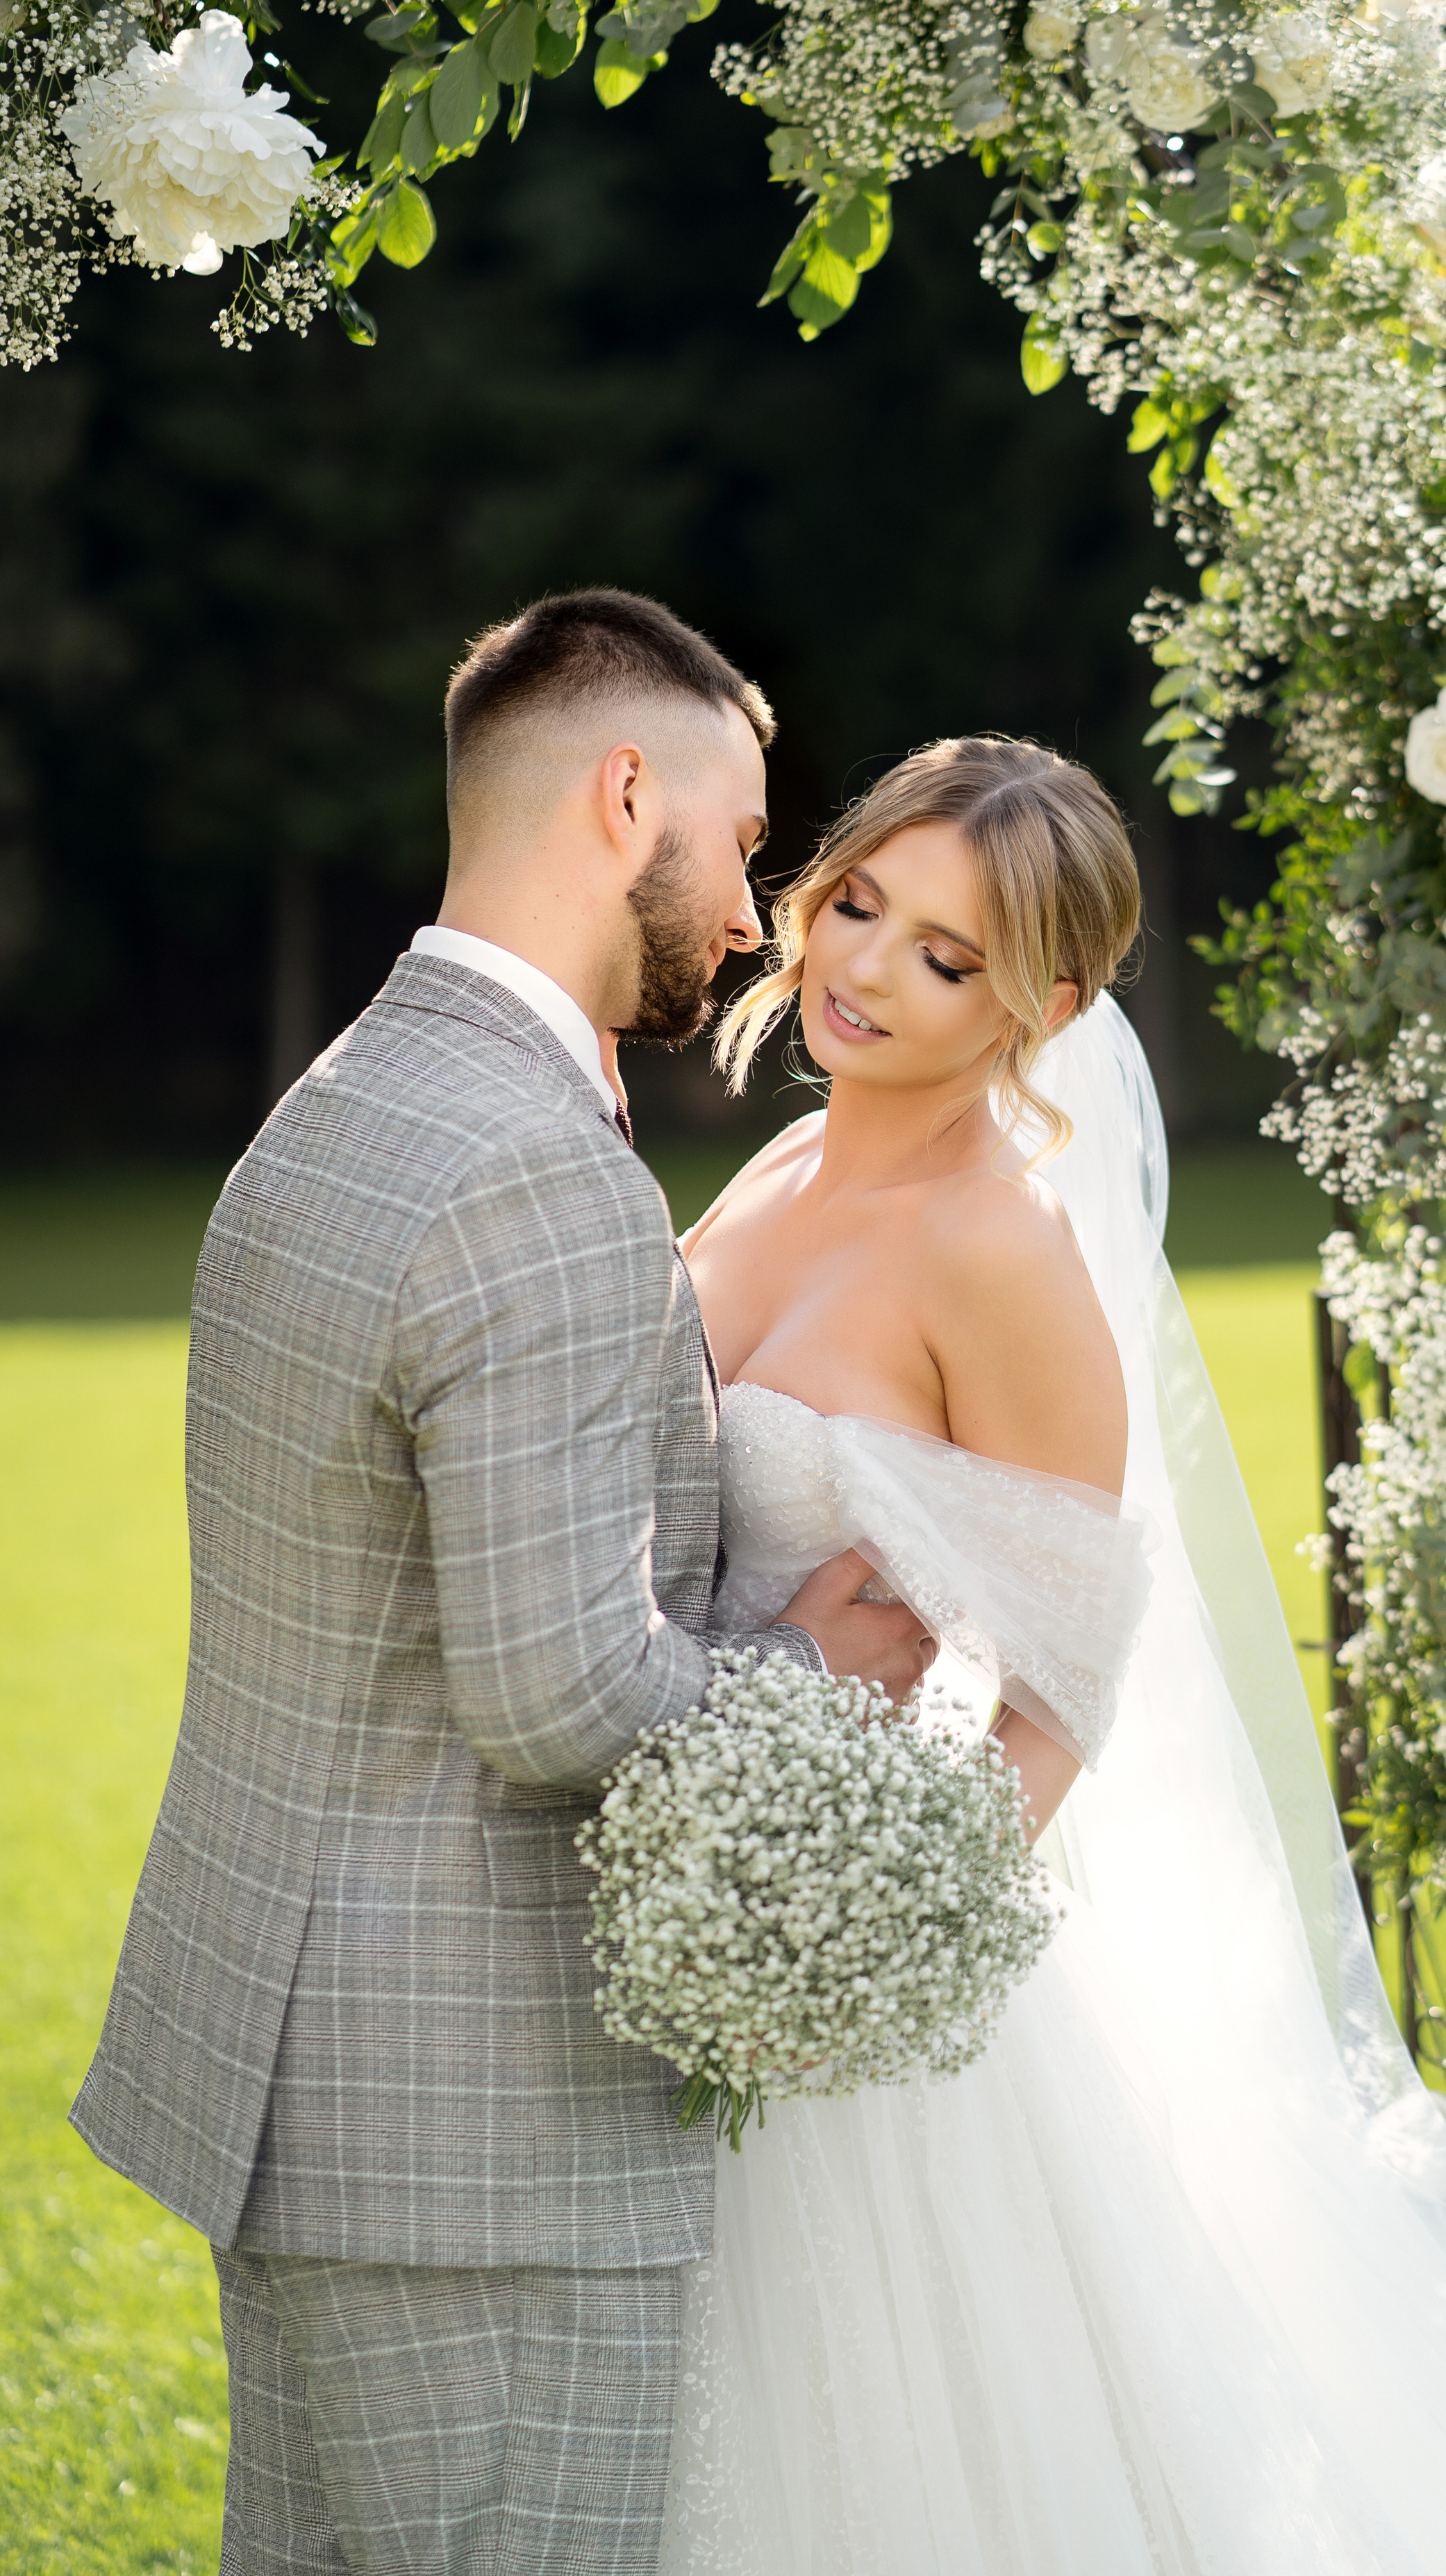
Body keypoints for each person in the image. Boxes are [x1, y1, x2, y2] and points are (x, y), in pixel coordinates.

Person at [672, 734, 1446, 2573]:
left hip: (874, 1962)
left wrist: (853, 1942)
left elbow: (1064, 1680)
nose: (865, 970)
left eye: (945, 957)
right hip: (701, 1867)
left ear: (1045, 1006)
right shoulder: (784, 1164)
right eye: (858, 903)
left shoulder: (1002, 1252)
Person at [69, 588, 933, 2576]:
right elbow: (558, 1694)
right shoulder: (535, 1167)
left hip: (302, 2081)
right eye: (740, 844)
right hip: (480, 2132)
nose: (758, 922)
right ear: (625, 798)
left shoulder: (339, 1102)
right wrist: (807, 1670)